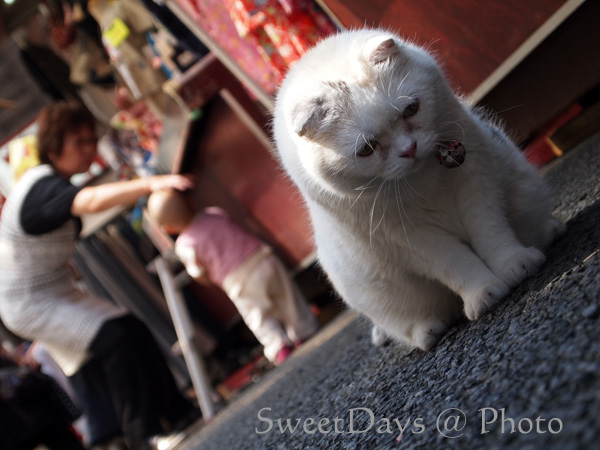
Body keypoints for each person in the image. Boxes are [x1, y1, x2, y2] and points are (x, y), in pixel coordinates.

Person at [0, 101, 198, 450]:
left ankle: (176, 414)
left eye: (92, 140)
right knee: (115, 340)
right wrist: (151, 184)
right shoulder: (40, 186)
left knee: (131, 331)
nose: (90, 149)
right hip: (29, 302)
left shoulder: (51, 184)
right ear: (54, 144)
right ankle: (144, 435)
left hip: (54, 290)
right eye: (80, 142)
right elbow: (89, 201)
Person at [147, 189, 319, 365]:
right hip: (262, 257)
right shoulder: (213, 213)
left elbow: (198, 273)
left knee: (258, 315)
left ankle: (279, 346)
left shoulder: (184, 244)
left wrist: (208, 278)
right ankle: (305, 330)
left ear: (168, 228)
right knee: (287, 298)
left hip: (237, 278)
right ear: (190, 202)